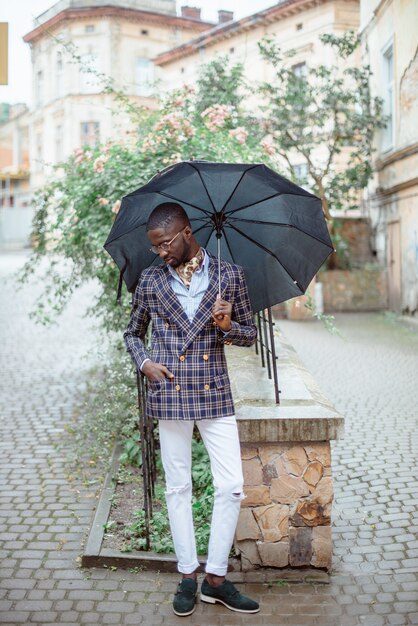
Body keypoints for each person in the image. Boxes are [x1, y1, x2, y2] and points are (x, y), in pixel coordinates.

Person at [124, 202, 260, 617]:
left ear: (185, 233)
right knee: (178, 487)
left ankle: (215, 579)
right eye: (155, 247)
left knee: (231, 485)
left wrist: (226, 328)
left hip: (213, 390)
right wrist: (144, 362)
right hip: (169, 390)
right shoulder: (150, 280)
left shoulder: (229, 275)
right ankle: (187, 575)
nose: (161, 252)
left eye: (165, 243)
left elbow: (250, 335)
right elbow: (133, 332)